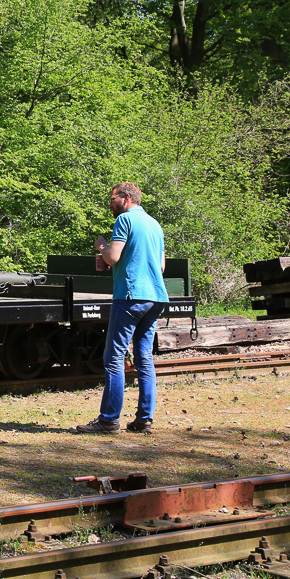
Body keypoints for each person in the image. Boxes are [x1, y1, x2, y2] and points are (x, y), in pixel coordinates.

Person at [76, 182, 168, 434]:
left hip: (130, 296)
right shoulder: (155, 224)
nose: (109, 204)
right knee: (144, 358)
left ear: (126, 198)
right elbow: (161, 267)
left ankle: (108, 420)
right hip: (156, 297)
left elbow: (113, 257)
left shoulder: (125, 220)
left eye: (112, 198)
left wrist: (102, 248)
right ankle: (144, 420)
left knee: (114, 358)